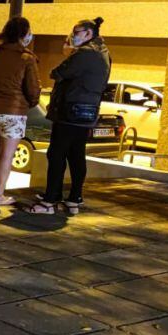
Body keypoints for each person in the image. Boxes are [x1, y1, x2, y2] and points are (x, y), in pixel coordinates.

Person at [26, 17, 110, 215]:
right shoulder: (104, 53)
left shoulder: (85, 53)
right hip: (87, 112)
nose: (73, 36)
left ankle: (50, 201)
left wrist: (68, 54)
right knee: (76, 155)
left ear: (88, 34)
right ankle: (74, 199)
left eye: (76, 32)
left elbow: (57, 73)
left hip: (70, 111)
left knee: (56, 154)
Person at [0, 16, 40, 205]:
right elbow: (33, 90)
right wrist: (29, 103)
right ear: (24, 34)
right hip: (14, 111)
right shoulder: (27, 59)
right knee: (6, 155)